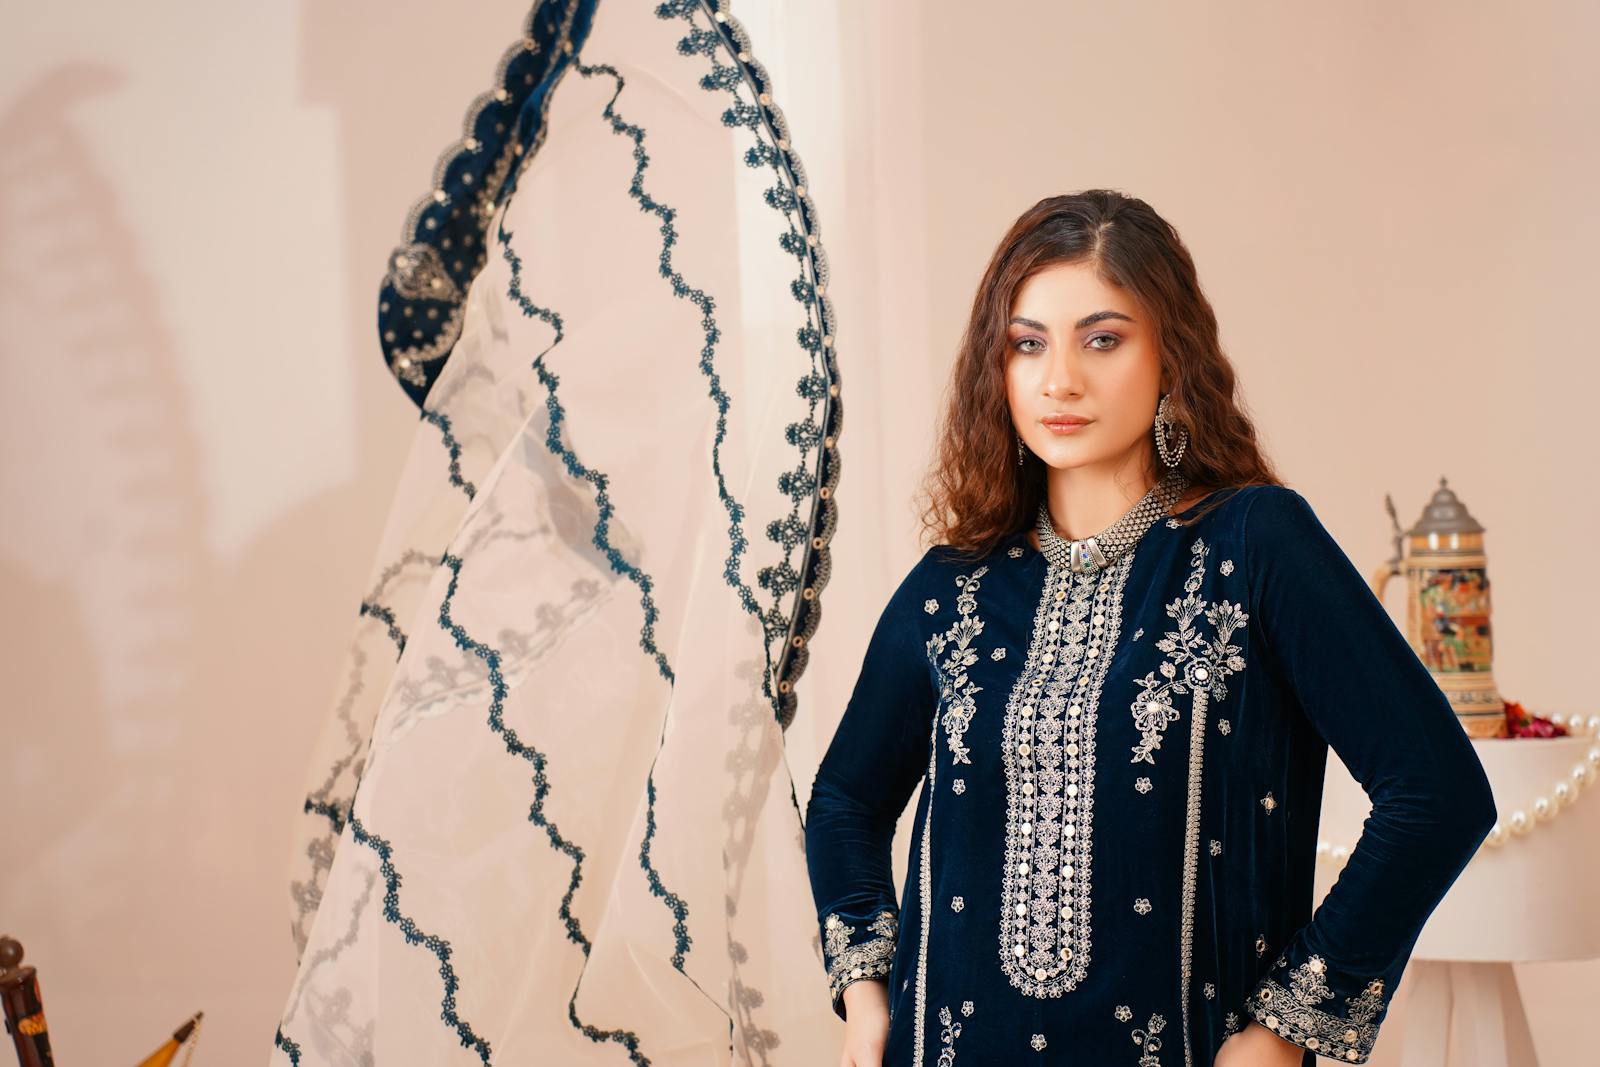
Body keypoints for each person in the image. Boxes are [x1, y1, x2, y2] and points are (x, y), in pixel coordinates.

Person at [803, 190, 1497, 1067]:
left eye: (1102, 338)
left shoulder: (1255, 544)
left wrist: (1284, 1030)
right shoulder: (954, 589)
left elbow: (1437, 795)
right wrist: (868, 999)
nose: (1060, 379)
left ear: (1171, 355)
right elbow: (842, 803)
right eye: (1027, 344)